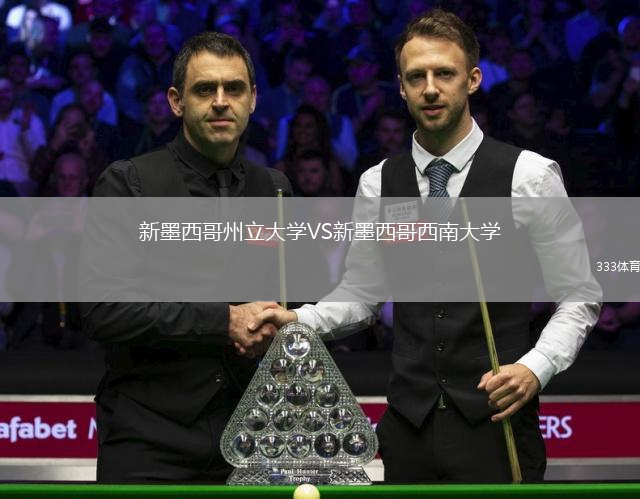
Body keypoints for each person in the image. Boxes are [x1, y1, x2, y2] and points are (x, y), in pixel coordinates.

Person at [251, 9, 601, 483]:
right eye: (416, 77)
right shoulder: (378, 182)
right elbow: (362, 294)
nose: (430, 88)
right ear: (401, 86)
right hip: (408, 428)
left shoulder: (530, 176)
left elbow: (579, 293)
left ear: (472, 79)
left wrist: (534, 368)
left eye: (445, 74)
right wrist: (300, 319)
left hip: (496, 423)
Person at [81, 32, 291, 482]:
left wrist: (277, 322)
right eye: (204, 89)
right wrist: (224, 321)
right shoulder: (128, 183)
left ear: (253, 99)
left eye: (234, 88)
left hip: (252, 437)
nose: (221, 101)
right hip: (148, 438)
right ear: (176, 102)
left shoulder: (274, 189)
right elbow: (103, 310)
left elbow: (292, 300)